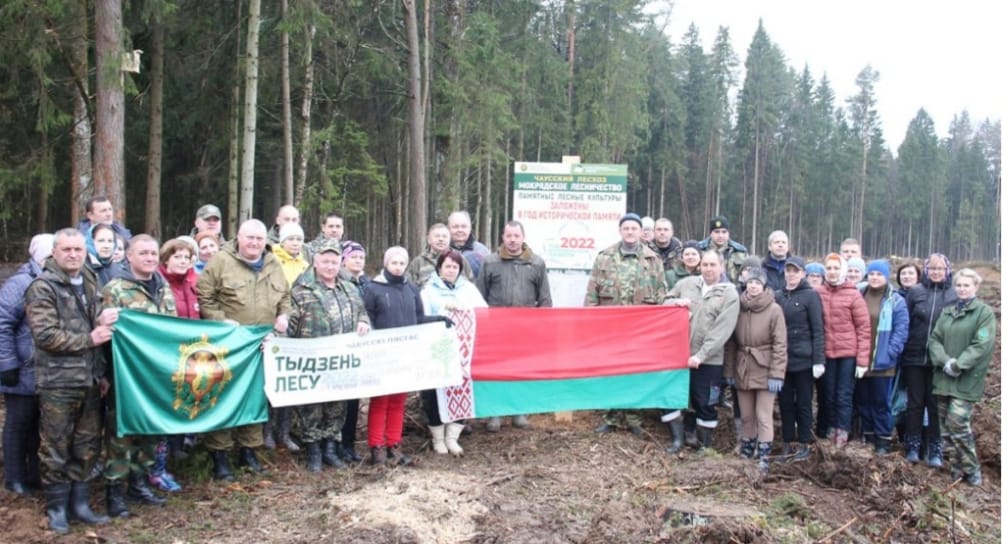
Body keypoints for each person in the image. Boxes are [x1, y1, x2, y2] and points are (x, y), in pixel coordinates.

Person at [25, 228, 118, 533]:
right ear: (55, 252)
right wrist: (89, 339)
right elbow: (46, 335)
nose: (73, 255)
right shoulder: (42, 287)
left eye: (78, 249)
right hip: (58, 382)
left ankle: (80, 505)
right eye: (66, 250)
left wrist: (101, 370)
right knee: (55, 446)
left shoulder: (90, 280)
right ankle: (56, 509)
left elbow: (99, 323)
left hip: (90, 379)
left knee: (87, 444)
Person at [197, 219, 292, 481]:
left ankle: (249, 451)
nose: (254, 243)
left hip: (262, 345)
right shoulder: (220, 261)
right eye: (250, 238)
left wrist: (283, 316)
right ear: (238, 237)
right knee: (224, 396)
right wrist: (219, 320)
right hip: (228, 345)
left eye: (260, 239)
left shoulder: (273, 263)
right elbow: (204, 295)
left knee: (255, 397)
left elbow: (285, 296)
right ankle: (220, 455)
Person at [101, 235, 177, 517]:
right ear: (129, 257)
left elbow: (172, 330)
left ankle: (139, 483)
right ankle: (115, 492)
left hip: (155, 375)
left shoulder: (163, 287)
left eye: (153, 253)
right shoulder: (115, 289)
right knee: (121, 434)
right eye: (143, 253)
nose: (149, 258)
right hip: (124, 375)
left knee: (149, 431)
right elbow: (106, 335)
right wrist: (105, 373)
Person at [287, 239, 371, 472]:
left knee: (337, 406)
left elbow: (362, 313)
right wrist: (278, 338)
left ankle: (330, 449)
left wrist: (364, 323)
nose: (330, 266)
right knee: (312, 407)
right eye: (325, 261)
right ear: (315, 261)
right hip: (312, 361)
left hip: (341, 361)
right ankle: (313, 450)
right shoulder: (301, 290)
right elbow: (290, 322)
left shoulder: (350, 288)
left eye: (334, 261)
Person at [363, 247, 449, 466]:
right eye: (394, 263)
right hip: (382, 354)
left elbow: (419, 318)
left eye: (402, 263)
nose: (398, 267)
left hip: (406, 355)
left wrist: (440, 320)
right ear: (386, 263)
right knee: (380, 401)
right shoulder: (373, 289)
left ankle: (394, 445)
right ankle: (377, 447)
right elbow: (367, 319)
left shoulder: (410, 288)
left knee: (398, 401)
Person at [586, 213, 667, 436]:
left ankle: (634, 418)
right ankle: (611, 416)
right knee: (611, 372)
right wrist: (590, 323)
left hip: (641, 330)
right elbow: (592, 292)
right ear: (620, 231)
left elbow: (662, 293)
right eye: (626, 228)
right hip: (610, 329)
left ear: (641, 232)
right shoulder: (605, 257)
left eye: (634, 228)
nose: (630, 232)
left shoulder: (653, 259)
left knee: (636, 372)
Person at [476, 220, 551, 432]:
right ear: (503, 237)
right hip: (496, 329)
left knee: (521, 370)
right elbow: (479, 296)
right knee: (496, 371)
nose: (512, 240)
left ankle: (519, 412)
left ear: (523, 237)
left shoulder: (536, 263)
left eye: (516, 236)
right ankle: (495, 414)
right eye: (508, 236)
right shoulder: (490, 262)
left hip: (525, 330)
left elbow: (544, 298)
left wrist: (544, 326)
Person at [663, 250, 739, 452]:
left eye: (713, 265)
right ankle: (678, 440)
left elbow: (722, 330)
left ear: (721, 267)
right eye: (705, 265)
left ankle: (704, 446)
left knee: (704, 402)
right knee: (671, 397)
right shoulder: (687, 284)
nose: (708, 269)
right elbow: (664, 302)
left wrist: (701, 355)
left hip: (708, 360)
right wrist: (675, 304)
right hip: (678, 355)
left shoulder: (729, 293)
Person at [928, 268, 996, 487]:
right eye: (959, 285)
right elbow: (934, 340)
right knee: (945, 429)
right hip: (944, 378)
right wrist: (945, 361)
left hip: (966, 379)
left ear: (976, 287)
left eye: (967, 285)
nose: (962, 289)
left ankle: (972, 469)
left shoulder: (983, 313)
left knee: (958, 424)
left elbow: (981, 345)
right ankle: (957, 470)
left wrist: (959, 364)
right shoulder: (947, 312)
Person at [0, 234, 54, 496]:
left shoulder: (54, 281)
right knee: (18, 424)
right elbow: (3, 324)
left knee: (37, 425)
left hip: (47, 370)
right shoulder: (20, 283)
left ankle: (34, 474)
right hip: (22, 367)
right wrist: (7, 362)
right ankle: (13, 476)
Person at [421, 250, 487, 454]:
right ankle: (438, 438)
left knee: (460, 389)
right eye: (447, 266)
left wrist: (463, 309)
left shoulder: (469, 290)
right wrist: (443, 311)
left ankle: (453, 436)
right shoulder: (428, 291)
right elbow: (422, 316)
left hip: (463, 352)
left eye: (455, 267)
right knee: (434, 393)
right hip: (437, 351)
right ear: (439, 267)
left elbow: (483, 312)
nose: (451, 270)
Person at [723, 267, 787, 473]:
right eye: (750, 282)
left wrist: (777, 373)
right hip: (743, 367)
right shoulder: (739, 307)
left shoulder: (774, 309)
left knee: (763, 414)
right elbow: (731, 343)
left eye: (757, 283)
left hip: (765, 367)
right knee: (747, 415)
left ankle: (764, 454)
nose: (753, 286)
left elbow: (780, 344)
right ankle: (747, 448)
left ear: (764, 286)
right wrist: (730, 371)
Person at [901, 253, 956, 466]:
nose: (935, 272)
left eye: (940, 269)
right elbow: (905, 322)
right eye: (932, 268)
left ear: (947, 271)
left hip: (940, 361)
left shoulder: (952, 295)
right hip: (914, 357)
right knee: (914, 404)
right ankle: (912, 445)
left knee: (935, 405)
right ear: (926, 270)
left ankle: (935, 448)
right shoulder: (916, 292)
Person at [815, 253, 871, 449]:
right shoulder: (819, 293)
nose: (832, 272)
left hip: (848, 354)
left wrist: (863, 361)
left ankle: (842, 430)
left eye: (836, 268)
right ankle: (829, 428)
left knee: (844, 395)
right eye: (829, 268)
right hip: (827, 354)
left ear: (843, 271)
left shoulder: (853, 294)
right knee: (828, 394)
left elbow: (863, 328)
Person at [855, 259, 909, 454]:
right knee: (863, 401)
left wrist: (890, 352)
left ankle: (883, 440)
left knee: (881, 403)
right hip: (861, 360)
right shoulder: (859, 295)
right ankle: (868, 438)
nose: (875, 278)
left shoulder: (895, 300)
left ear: (886, 276)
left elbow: (901, 330)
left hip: (883, 362)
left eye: (879, 274)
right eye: (871, 274)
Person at [774, 256, 825, 461]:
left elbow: (818, 330)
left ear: (802, 273)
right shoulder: (778, 296)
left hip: (804, 360)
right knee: (785, 403)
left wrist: (818, 360)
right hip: (782, 360)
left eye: (795, 271)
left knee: (804, 403)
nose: (791, 274)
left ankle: (804, 442)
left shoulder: (811, 296)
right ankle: (788, 442)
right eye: (788, 271)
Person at [157, 239, 201, 464]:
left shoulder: (194, 283)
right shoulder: (159, 283)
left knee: (185, 398)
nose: (183, 261)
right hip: (166, 354)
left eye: (187, 257)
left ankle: (181, 446)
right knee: (167, 401)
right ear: (166, 259)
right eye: (178, 257)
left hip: (191, 354)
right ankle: (163, 457)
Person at [335, 240, 369, 462]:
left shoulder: (367, 283)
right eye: (353, 256)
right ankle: (334, 444)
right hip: (339, 347)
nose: (357, 260)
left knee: (353, 399)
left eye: (361, 257)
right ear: (344, 259)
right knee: (337, 399)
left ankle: (349, 443)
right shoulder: (339, 282)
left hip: (360, 346)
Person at [406, 222, 473, 287]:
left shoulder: (460, 260)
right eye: (437, 236)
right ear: (429, 240)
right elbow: (409, 288)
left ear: (449, 239)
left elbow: (471, 286)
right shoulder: (418, 262)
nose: (441, 239)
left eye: (444, 236)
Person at [697, 215, 748, 283]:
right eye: (717, 232)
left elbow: (749, 276)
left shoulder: (740, 252)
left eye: (724, 232)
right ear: (711, 233)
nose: (720, 235)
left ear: (728, 233)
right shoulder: (700, 249)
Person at [448, 211, 491, 278]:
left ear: (470, 228)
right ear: (448, 228)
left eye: (463, 226)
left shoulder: (482, 252)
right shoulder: (443, 251)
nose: (460, 230)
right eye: (455, 227)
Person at [85, 223, 123, 287]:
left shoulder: (120, 270)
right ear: (91, 242)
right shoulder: (82, 268)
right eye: (101, 241)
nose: (106, 246)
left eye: (110, 241)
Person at [273, 223, 310, 287]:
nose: (295, 243)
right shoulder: (272, 261)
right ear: (282, 242)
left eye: (299, 239)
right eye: (290, 239)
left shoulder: (306, 266)